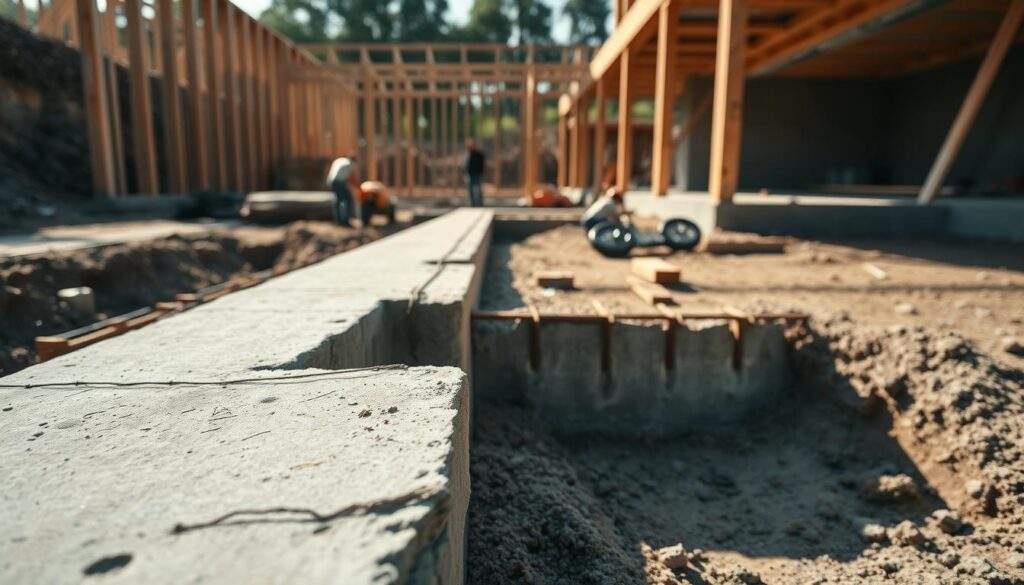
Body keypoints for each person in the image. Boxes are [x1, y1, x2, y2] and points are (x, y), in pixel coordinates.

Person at [326, 154, 361, 225]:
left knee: (338, 200)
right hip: (338, 182)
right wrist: (358, 186)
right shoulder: (350, 164)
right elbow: (351, 178)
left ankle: (338, 219)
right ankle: (345, 220)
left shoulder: (340, 160)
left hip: (331, 181)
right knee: (347, 199)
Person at [464, 139, 485, 207]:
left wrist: (480, 173)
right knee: (470, 191)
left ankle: (480, 204)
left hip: (477, 175)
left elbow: (481, 165)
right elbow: (466, 165)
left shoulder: (478, 155)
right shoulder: (468, 155)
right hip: (470, 175)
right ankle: (473, 205)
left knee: (478, 191)